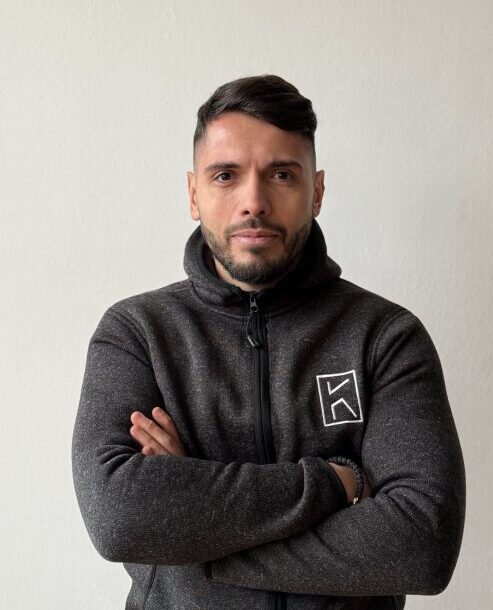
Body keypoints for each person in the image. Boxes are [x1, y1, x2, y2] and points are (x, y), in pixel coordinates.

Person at [72, 74, 465, 610]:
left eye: (281, 174)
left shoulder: (386, 338)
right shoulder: (136, 333)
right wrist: (336, 483)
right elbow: (118, 518)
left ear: (316, 192)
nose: (253, 202)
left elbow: (423, 544)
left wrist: (194, 533)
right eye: (225, 175)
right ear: (194, 194)